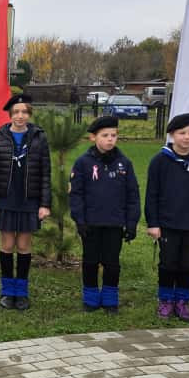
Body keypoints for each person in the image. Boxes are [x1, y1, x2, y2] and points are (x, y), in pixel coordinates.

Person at [145, 113, 189, 322]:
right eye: (182, 133)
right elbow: (152, 195)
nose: (187, 137)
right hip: (167, 224)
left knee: (186, 264)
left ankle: (182, 301)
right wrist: (153, 223)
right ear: (172, 135)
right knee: (168, 263)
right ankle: (166, 300)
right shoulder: (160, 161)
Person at [0, 93, 51, 311]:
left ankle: (21, 292)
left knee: (23, 245)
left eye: (24, 112)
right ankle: (7, 290)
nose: (20, 116)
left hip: (29, 201)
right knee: (7, 245)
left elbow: (45, 173)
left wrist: (44, 203)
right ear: (10, 114)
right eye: (16, 112)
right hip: (5, 201)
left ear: (29, 114)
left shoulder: (40, 138)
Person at [68, 116, 140, 314]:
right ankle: (90, 299)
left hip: (114, 223)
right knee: (90, 262)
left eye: (114, 135)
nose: (110, 139)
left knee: (112, 263)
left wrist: (131, 223)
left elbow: (132, 194)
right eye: (105, 135)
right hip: (91, 223)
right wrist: (80, 220)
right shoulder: (83, 163)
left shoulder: (124, 163)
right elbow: (76, 194)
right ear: (93, 137)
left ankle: (110, 300)